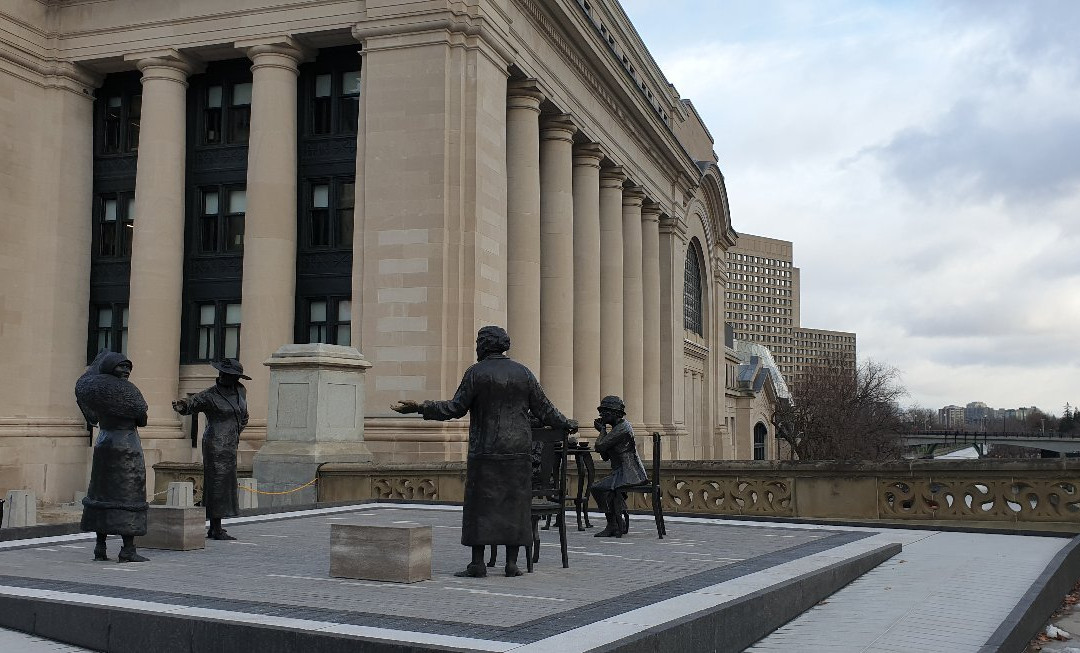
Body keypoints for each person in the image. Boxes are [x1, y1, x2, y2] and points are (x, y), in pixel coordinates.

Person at [392, 326, 577, 578]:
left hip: (485, 451)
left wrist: (420, 407)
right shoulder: (523, 373)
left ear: (486, 344)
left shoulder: (476, 373)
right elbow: (546, 410)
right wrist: (566, 423)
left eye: (479, 342)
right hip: (517, 452)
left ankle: (477, 564)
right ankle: (511, 564)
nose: (476, 346)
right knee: (515, 505)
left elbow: (455, 408)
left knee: (480, 506)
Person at [77, 350, 150, 562]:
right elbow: (142, 418)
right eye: (122, 366)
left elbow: (91, 415)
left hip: (104, 442)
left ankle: (100, 547)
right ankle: (128, 549)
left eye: (128, 367)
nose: (126, 370)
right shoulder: (128, 390)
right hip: (126, 446)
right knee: (129, 496)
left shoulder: (92, 388)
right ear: (110, 368)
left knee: (101, 494)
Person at [171, 358, 249, 541]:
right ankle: (216, 527)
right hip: (215, 444)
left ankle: (215, 527)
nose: (221, 376)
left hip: (230, 444)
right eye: (221, 372)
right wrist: (183, 405)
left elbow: (244, 415)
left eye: (227, 374)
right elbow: (193, 402)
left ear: (235, 377)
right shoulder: (211, 394)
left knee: (226, 484)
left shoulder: (241, 391)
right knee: (216, 484)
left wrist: (236, 432)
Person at [590, 395, 647, 538]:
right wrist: (604, 432)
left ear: (614, 413)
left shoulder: (622, 428)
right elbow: (605, 455)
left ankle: (613, 524)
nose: (601, 415)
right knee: (607, 490)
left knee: (597, 488)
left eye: (604, 412)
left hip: (629, 473)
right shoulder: (617, 427)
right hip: (621, 472)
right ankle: (616, 522)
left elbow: (599, 446)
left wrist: (602, 430)